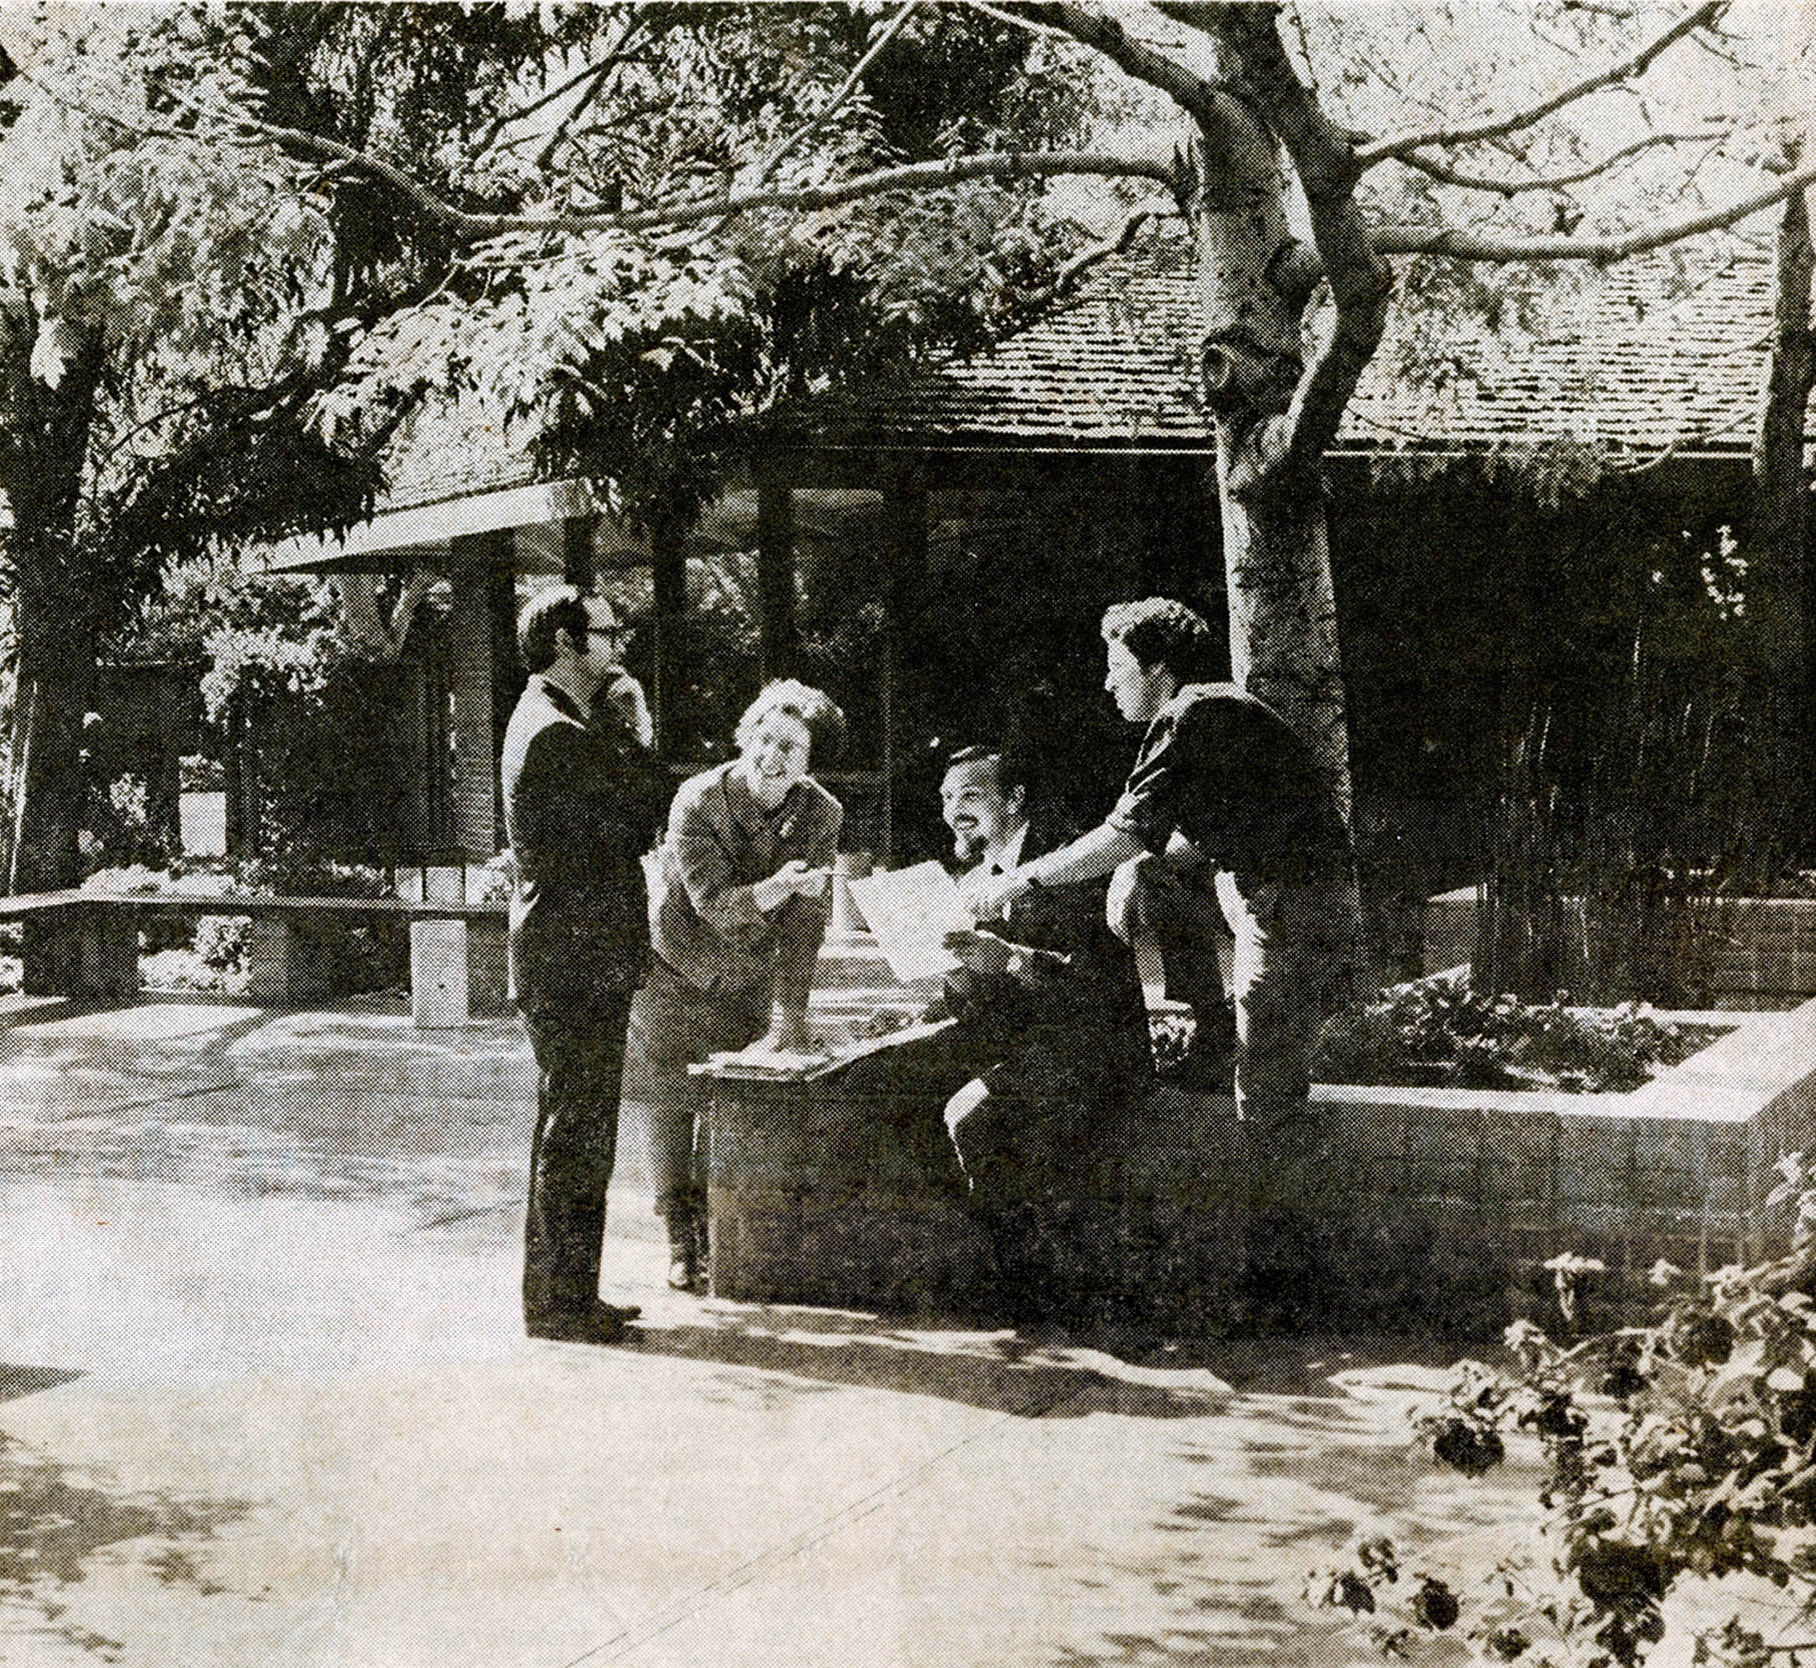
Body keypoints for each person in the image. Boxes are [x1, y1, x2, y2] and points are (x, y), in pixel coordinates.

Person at [964, 599, 1354, 1289]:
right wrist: (1134, 868)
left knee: (1267, 1092)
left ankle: (1291, 1277)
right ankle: (1205, 1033)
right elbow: (1174, 838)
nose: (1109, 684)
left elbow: (1127, 829)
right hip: (1256, 887)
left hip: (1293, 910)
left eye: (1118, 668)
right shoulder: (1213, 710)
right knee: (1147, 874)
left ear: (1158, 669)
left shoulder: (1189, 716)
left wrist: (1021, 879)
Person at [629, 680, 845, 1293]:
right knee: (672, 1107)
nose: (775, 757)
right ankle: (679, 1238)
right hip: (675, 970)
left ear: (807, 761)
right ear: (742, 740)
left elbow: (807, 927)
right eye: (765, 741)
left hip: (748, 978)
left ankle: (731, 1238)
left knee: (735, 1111)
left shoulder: (821, 813)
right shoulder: (697, 802)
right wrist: (779, 888)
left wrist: (790, 1018)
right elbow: (711, 905)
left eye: (792, 748)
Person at [931, 746, 1153, 1316]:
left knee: (972, 1115)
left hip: (1094, 1049)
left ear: (1014, 799)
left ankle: (1043, 1285)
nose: (956, 812)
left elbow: (1094, 982)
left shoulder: (1062, 862)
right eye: (948, 799)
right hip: (1034, 1042)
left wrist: (1004, 960)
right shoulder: (985, 872)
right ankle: (1006, 1273)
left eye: (971, 798)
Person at [501, 586, 668, 1343]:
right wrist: (635, 726)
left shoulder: (551, 722)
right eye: (606, 634)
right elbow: (637, 820)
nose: (618, 647)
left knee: (569, 1128)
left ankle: (562, 1296)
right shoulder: (556, 734)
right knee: (578, 1132)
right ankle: (562, 1304)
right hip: (574, 962)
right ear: (568, 643)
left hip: (568, 958)